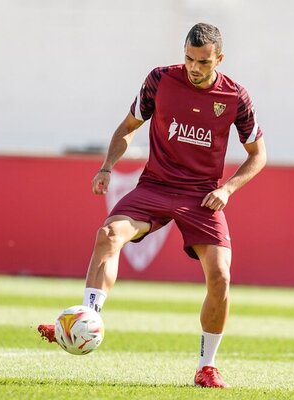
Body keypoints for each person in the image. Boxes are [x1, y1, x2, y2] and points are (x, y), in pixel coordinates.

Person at [38, 22, 266, 388]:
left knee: (221, 275)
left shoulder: (236, 97)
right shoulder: (159, 80)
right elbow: (127, 127)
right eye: (189, 59)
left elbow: (258, 155)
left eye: (203, 62)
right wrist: (107, 166)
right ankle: (87, 318)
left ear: (219, 59)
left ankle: (207, 367)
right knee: (108, 234)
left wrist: (229, 189)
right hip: (156, 186)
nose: (194, 67)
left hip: (201, 194)